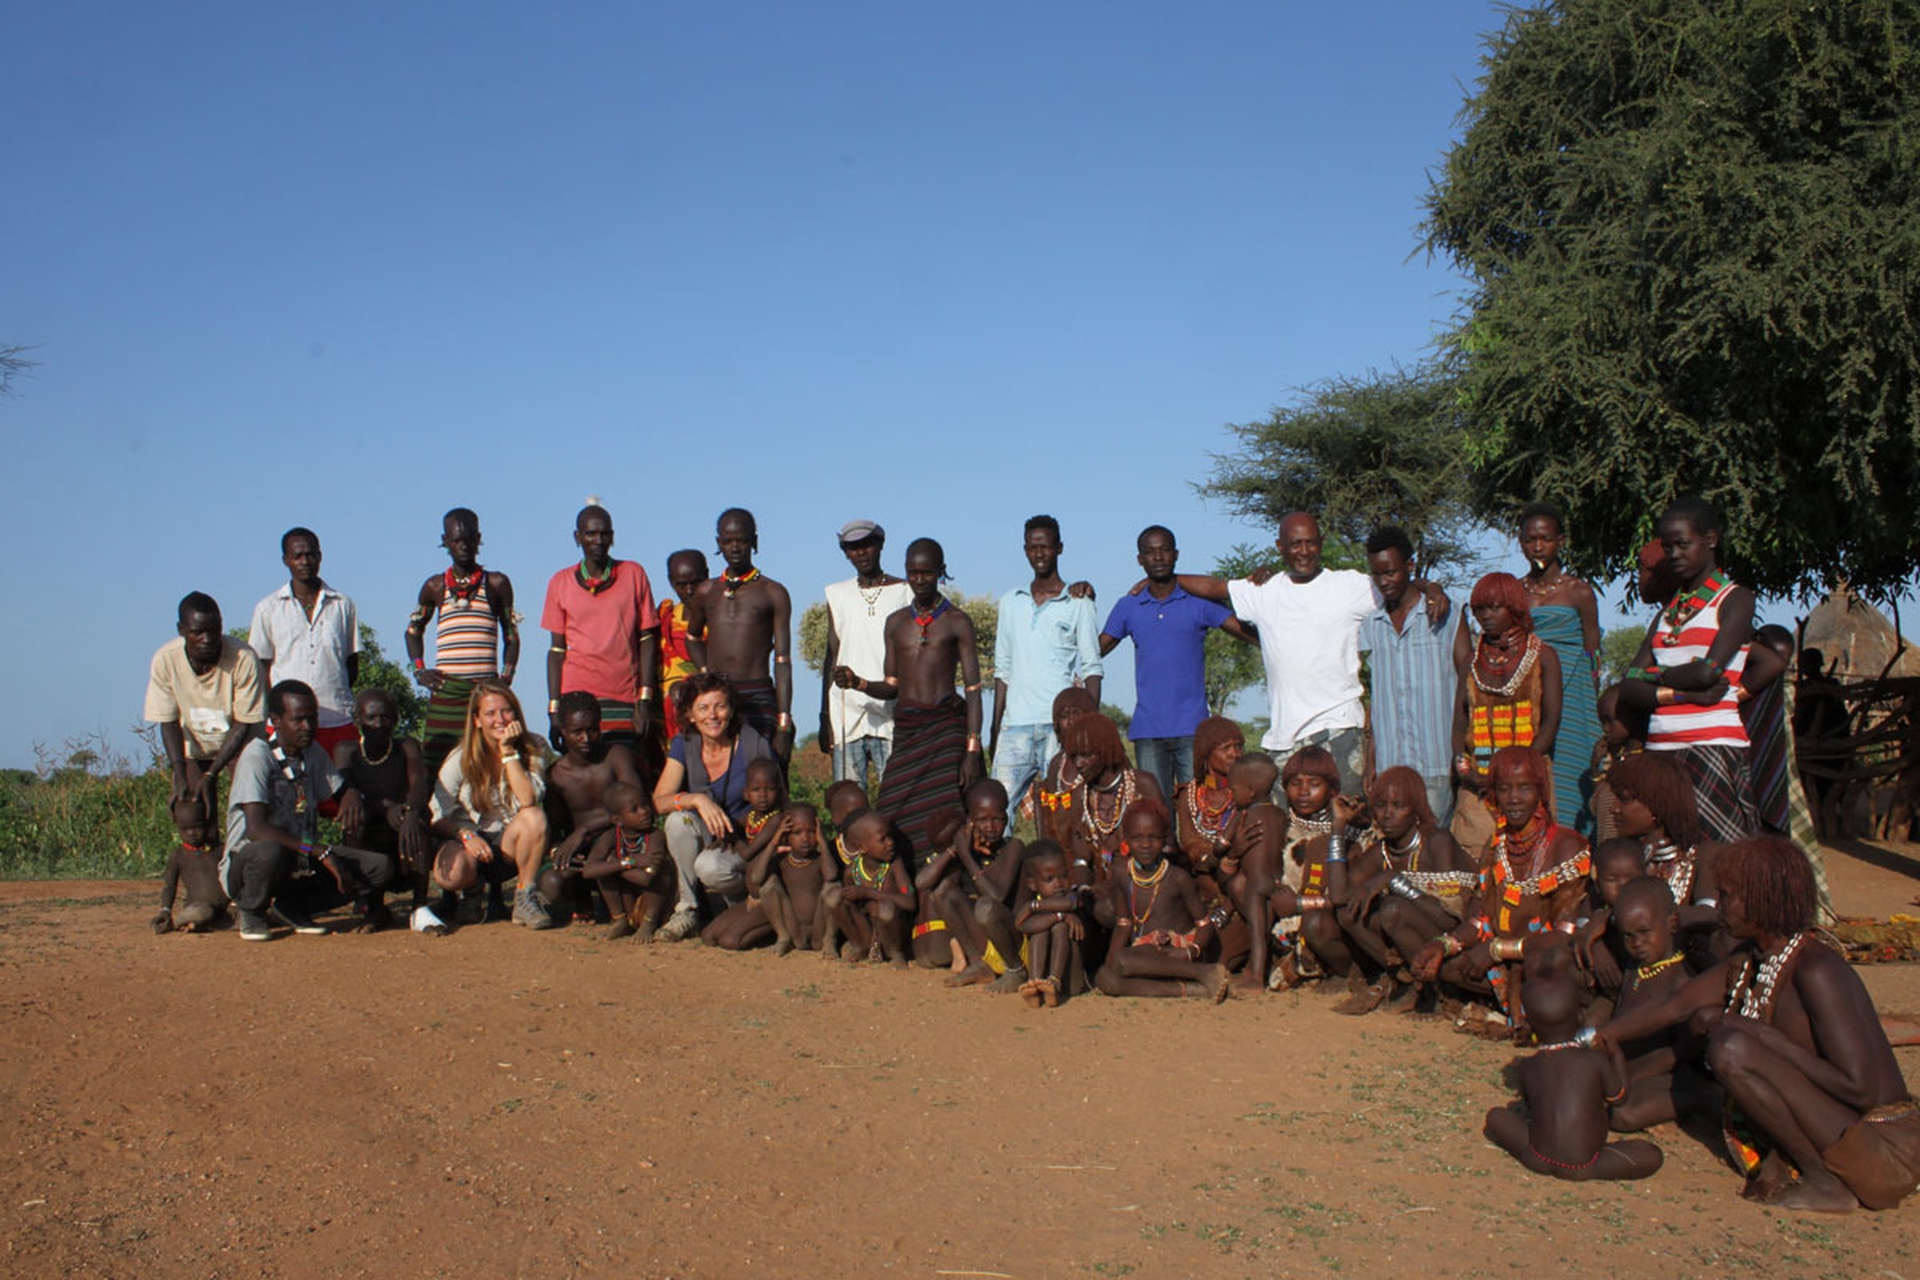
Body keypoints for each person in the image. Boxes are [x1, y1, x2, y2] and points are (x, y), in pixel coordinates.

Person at [1596, 836, 1919, 1212]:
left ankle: (1825, 1181)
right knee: (1711, 1024)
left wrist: (1760, 1034)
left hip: (1882, 1148)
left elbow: (1859, 1091)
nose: (1721, 904)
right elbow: (1676, 1007)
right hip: (1841, 1130)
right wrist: (1594, 1039)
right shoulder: (1756, 959)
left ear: (1761, 902)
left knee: (1731, 1047)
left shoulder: (1816, 970)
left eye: (1728, 895)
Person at [1160, 513, 1445, 794]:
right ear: (1279, 547)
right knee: (1290, 833)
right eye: (1295, 544)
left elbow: (1397, 583)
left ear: (1321, 543)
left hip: (1340, 727)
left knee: (1346, 823)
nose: (1304, 551)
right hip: (1284, 739)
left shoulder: (1349, 586)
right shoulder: (1264, 591)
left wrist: (1432, 587)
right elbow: (1215, 587)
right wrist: (1160, 580)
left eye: (1311, 543)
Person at [1413, 747, 1590, 1040]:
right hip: (1503, 962)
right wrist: (1442, 946)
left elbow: (1565, 937)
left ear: (1541, 791)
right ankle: (1513, 1009)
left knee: (1541, 965)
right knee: (1446, 966)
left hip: (1546, 962)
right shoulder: (1497, 846)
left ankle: (1525, 1013)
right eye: (1504, 789)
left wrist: (1496, 949)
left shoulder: (1568, 846)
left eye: (1525, 788)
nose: (1515, 798)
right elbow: (1480, 920)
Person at [1616, 496, 1759, 843]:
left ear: (1710, 540)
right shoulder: (1666, 614)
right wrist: (1681, 690)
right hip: (1661, 750)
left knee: (1723, 859)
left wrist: (1654, 678)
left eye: (1683, 544)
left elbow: (1708, 673)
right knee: (1667, 858)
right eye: (1668, 547)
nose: (1674, 554)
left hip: (1713, 745)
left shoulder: (1735, 600)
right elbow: (1628, 689)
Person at [223, 680, 395, 940]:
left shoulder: (312, 753)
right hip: (253, 862)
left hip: (299, 860)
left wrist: (350, 793)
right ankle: (251, 908)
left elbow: (339, 790)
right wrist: (317, 850)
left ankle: (292, 907)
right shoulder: (257, 756)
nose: (308, 726)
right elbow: (256, 829)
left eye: (312, 718)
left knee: (378, 867)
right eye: (299, 720)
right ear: (276, 720)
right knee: (270, 850)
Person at [861, 537, 985, 873]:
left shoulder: (957, 622)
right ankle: (906, 890)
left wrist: (972, 750)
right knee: (890, 806)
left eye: (927, 573)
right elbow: (891, 687)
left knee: (948, 812)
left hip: (946, 731)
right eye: (913, 573)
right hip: (909, 730)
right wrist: (858, 682)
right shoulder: (896, 623)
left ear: (941, 572)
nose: (919, 580)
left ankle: (950, 889)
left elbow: (973, 689)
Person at [1097, 525, 1248, 799]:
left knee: (1197, 810)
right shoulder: (1128, 606)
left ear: (1175, 554)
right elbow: (1097, 650)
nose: (1158, 557)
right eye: (1150, 552)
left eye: (1164, 550)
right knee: (1156, 814)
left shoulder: (1198, 602)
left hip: (1193, 729)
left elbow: (1242, 630)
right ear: (1139, 559)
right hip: (1148, 730)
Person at [1482, 966, 1664, 1181]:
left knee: (1496, 1117)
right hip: (1584, 1165)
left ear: (1530, 1025)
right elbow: (1620, 1097)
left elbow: (1533, 1106)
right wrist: (1617, 1057)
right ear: (1580, 1015)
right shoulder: (1594, 1060)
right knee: (1651, 1155)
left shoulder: (1529, 1066)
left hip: (1537, 1157)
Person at [1335, 766, 1475, 1015]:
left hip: (1455, 941)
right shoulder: (1382, 851)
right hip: (1418, 943)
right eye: (1380, 805)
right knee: (1347, 912)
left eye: (1399, 806)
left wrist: (1394, 881)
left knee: (1393, 909)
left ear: (1416, 810)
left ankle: (1436, 991)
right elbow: (1339, 897)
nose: (1387, 814)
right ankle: (1404, 978)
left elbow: (1452, 919)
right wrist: (1337, 828)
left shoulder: (1437, 842)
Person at [652, 671, 778, 941]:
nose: (712, 715)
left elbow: (780, 800)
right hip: (710, 837)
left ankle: (741, 905)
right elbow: (659, 801)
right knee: (678, 821)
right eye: (703, 708)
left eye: (720, 706)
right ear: (690, 715)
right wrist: (697, 799)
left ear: (731, 710)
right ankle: (688, 910)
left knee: (710, 867)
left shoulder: (752, 742)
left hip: (746, 843)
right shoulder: (684, 744)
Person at [990, 515, 1102, 814]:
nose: (1039, 554)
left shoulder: (1079, 602)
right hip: (1014, 726)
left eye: (1045, 547)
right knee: (997, 810)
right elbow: (1003, 670)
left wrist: (1089, 727)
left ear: (1059, 548)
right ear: (1025, 550)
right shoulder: (1011, 602)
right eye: (1032, 547)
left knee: (1067, 809)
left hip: (1061, 727)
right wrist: (995, 726)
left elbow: (1092, 668)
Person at [426, 679, 553, 933]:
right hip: (470, 842)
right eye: (490, 713)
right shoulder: (461, 757)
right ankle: (471, 893)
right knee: (451, 874)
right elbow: (436, 814)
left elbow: (528, 799)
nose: (501, 719)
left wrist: (508, 752)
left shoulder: (534, 747)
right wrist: (465, 835)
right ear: (476, 720)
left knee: (534, 817)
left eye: (507, 710)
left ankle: (524, 896)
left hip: (509, 843)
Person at [1359, 525, 1466, 826]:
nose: (1384, 581)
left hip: (1437, 764)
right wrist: (1371, 762)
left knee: (1436, 854)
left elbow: (1466, 682)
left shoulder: (1446, 614)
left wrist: (1460, 750)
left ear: (1409, 567)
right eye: (1377, 574)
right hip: (1390, 768)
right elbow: (1379, 701)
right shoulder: (1371, 626)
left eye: (1390, 572)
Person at [1452, 572, 1562, 852]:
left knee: (1533, 858)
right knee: (1472, 857)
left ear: (1514, 608)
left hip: (1529, 781)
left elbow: (1550, 723)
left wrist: (1521, 773)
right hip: (1477, 783)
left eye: (1494, 607)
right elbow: (1458, 723)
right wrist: (1464, 770)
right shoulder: (1471, 662)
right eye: (1479, 609)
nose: (1485, 616)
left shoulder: (1543, 657)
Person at [542, 502, 660, 756]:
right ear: (577, 537)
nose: (598, 540)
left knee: (625, 771)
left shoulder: (633, 574)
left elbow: (647, 639)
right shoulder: (560, 582)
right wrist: (554, 709)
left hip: (624, 694)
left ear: (613, 537)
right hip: (577, 697)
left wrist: (645, 699)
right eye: (591, 534)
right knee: (584, 778)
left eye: (605, 534)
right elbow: (556, 650)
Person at [1604, 877, 1719, 1133]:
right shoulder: (1636, 967)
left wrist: (1630, 1077)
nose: (1637, 943)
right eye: (1628, 936)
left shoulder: (1680, 983)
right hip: (1630, 1067)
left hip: (1671, 1075)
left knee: (1622, 1115)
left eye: (1645, 932)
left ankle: (1700, 1100)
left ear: (1672, 923)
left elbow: (1678, 1053)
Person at [407, 508, 519, 771]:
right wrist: (419, 671)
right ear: (445, 541)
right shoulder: (435, 587)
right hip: (446, 691)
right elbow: (413, 632)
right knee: (437, 763)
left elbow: (511, 636)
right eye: (457, 540)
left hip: (485, 694)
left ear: (479, 538)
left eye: (469, 539)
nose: (464, 546)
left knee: (491, 762)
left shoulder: (496, 584)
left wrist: (505, 678)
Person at [1517, 503, 1604, 835]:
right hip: (1530, 693)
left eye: (1545, 539)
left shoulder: (1579, 592)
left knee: (1573, 774)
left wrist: (1592, 700)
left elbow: (1593, 651)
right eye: (1530, 540)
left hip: (1574, 693)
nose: (1538, 547)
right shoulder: (1516, 592)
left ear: (1560, 541)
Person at [1093, 799, 1232, 1002]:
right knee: (1105, 977)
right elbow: (1124, 923)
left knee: (1123, 960)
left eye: (1154, 837)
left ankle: (1204, 972)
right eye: (1138, 838)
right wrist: (1111, 962)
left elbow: (1205, 925)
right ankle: (1193, 990)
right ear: (1126, 839)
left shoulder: (1177, 877)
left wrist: (1190, 951)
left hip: (1176, 953)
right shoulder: (1121, 872)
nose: (1146, 845)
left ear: (1165, 838)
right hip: (1141, 955)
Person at [686, 508, 793, 759]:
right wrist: (706, 674)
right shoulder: (706, 591)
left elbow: (783, 660)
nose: (735, 547)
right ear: (718, 543)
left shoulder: (772, 592)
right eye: (728, 541)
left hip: (758, 695)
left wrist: (784, 719)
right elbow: (692, 638)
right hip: (717, 693)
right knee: (717, 766)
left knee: (764, 772)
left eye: (742, 540)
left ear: (754, 542)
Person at [146, 592, 265, 810]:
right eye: (197, 633)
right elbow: (169, 722)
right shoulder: (166, 659)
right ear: (181, 630)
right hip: (195, 744)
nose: (207, 639)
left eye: (213, 631)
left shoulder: (243, 658)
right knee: (193, 807)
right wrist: (179, 773)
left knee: (249, 807)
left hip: (241, 744)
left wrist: (212, 773)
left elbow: (243, 724)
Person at [248, 528, 359, 756]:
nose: (305, 561)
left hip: (336, 719)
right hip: (287, 725)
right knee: (288, 788)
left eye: (310, 555)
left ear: (320, 556)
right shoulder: (268, 608)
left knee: (339, 786)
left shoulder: (342, 604)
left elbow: (351, 662)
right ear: (285, 560)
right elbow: (262, 668)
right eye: (297, 556)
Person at [820, 519, 913, 790]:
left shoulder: (905, 592)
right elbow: (832, 655)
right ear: (845, 552)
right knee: (848, 801)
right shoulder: (837, 594)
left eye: (866, 545)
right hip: (846, 711)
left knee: (895, 798)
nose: (861, 553)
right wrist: (825, 716)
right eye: (853, 547)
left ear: (880, 545)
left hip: (891, 713)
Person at [538, 692, 644, 922]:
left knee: (610, 852)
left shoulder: (616, 756)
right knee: (552, 883)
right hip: (582, 851)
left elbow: (637, 804)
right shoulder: (555, 776)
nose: (586, 738)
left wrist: (584, 830)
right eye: (577, 732)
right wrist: (559, 851)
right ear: (563, 732)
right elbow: (554, 828)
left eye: (592, 729)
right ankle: (582, 897)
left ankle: (617, 901)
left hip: (620, 842)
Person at [918, 779, 1028, 990]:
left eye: (997, 819)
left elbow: (996, 897)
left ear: (1006, 818)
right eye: (982, 820)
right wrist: (954, 850)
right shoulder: (969, 850)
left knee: (985, 907)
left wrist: (966, 856)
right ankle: (978, 964)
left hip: (1015, 945)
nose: (990, 826)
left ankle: (1016, 971)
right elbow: (922, 883)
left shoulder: (1013, 848)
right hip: (988, 945)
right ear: (970, 821)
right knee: (942, 892)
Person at [333, 688, 431, 918]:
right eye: (371, 717)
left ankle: (420, 906)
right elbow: (345, 792)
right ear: (358, 719)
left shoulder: (407, 747)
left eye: (385, 717)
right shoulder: (346, 751)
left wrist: (409, 813)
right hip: (370, 828)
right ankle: (372, 905)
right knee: (353, 820)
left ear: (395, 720)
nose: (378, 724)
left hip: (401, 829)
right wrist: (385, 807)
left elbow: (418, 789)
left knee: (417, 821)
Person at [1061, 711, 1166, 895]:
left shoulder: (1142, 785)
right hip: (1100, 893)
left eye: (1085, 755)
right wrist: (1085, 890)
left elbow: (1166, 845)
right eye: (1074, 756)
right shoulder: (1080, 796)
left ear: (1105, 750)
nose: (1078, 764)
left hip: (1148, 887)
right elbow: (1081, 859)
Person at [700, 757, 789, 951]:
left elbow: (748, 853)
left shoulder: (776, 820)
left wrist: (732, 838)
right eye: (756, 790)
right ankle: (752, 924)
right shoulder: (748, 818)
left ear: (779, 792)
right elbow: (731, 830)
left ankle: (776, 929)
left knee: (730, 941)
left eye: (770, 789)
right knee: (708, 936)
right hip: (751, 897)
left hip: (770, 900)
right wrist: (723, 839)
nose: (763, 796)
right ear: (746, 794)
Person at [580, 780, 675, 941]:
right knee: (603, 871)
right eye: (634, 810)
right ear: (618, 820)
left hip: (655, 905)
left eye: (645, 805)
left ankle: (648, 924)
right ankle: (620, 921)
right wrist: (629, 862)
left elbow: (646, 879)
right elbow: (588, 871)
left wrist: (613, 864)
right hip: (629, 901)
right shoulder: (610, 836)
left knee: (664, 869)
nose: (644, 812)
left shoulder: (655, 836)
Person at [821, 808, 915, 966]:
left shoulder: (895, 865)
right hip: (868, 931)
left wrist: (869, 893)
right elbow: (851, 905)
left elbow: (910, 901)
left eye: (890, 836)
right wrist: (862, 903)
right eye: (882, 839)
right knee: (834, 896)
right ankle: (860, 945)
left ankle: (895, 953)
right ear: (862, 847)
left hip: (892, 932)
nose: (890, 842)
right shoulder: (852, 871)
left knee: (886, 909)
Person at [1172, 716, 1245, 906]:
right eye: (1225, 748)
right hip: (1202, 875)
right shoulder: (1188, 794)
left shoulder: (1246, 792)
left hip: (1239, 871)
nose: (1234, 754)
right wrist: (1210, 858)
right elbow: (1189, 843)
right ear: (1206, 753)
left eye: (1238, 746)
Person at [750, 801, 833, 955]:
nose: (806, 839)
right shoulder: (782, 860)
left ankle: (830, 940)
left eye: (811, 831)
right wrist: (773, 842)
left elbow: (831, 875)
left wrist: (823, 842)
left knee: (832, 889)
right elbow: (756, 878)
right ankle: (783, 937)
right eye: (797, 833)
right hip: (795, 931)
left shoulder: (821, 860)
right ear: (786, 835)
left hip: (818, 932)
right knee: (768, 885)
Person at [1015, 843, 1086, 1007]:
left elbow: (1070, 904)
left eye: (1063, 875)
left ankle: (1054, 980)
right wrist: (1058, 916)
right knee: (1041, 929)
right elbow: (1022, 925)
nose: (1058, 883)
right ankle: (1034, 984)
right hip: (1044, 978)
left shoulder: (1074, 895)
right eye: (1049, 879)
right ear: (1033, 884)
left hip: (1072, 981)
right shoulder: (1040, 903)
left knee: (1060, 927)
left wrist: (1033, 907)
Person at [1030, 687, 1098, 846]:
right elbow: (1051, 814)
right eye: (1064, 716)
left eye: (1077, 714)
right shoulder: (1057, 764)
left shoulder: (1104, 757)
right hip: (1064, 846)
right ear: (1056, 724)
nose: (1071, 721)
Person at [151, 796, 227, 934]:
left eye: (197, 827)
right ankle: (177, 923)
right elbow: (170, 886)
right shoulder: (178, 855)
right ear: (178, 829)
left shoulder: (219, 849)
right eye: (184, 829)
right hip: (198, 908)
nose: (191, 833)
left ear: (206, 824)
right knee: (202, 912)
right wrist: (165, 910)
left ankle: (199, 926)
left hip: (225, 909)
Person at [656, 550, 709, 745]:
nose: (689, 591)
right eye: (681, 584)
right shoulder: (664, 618)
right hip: (664, 723)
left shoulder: (720, 620)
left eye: (695, 583)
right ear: (671, 582)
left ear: (706, 575)